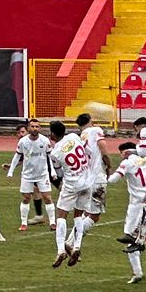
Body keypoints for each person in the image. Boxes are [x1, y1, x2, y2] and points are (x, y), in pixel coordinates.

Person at [50, 114, 107, 268]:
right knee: (79, 215)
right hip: (88, 181)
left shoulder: (55, 153)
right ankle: (76, 247)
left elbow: (58, 174)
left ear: (52, 135)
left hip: (72, 184)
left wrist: (60, 186)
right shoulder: (74, 137)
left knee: (61, 215)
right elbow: (87, 151)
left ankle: (61, 249)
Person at [113, 141, 146, 285]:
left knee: (130, 237)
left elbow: (113, 179)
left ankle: (137, 273)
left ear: (125, 152)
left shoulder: (128, 162)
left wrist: (102, 178)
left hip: (136, 206)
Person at [9, 117, 54, 234]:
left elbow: (50, 157)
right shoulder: (23, 142)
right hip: (27, 175)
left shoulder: (45, 141)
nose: (34, 129)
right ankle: (23, 223)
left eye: (37, 126)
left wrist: (52, 171)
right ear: (29, 128)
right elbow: (17, 156)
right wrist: (11, 171)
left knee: (47, 197)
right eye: (32, 126)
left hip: (42, 174)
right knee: (26, 198)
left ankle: (53, 222)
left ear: (40, 128)